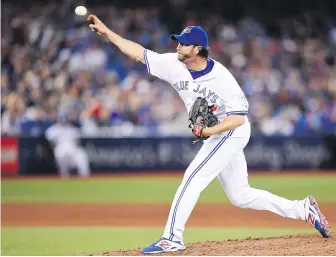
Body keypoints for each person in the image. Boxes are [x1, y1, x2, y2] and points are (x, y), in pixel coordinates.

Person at [87, 15, 331, 253]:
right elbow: (138, 53)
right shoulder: (174, 64)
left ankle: (172, 238)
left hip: (231, 130)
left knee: (193, 177)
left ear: (198, 49)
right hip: (219, 132)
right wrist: (108, 33)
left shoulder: (221, 77)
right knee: (240, 195)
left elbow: (239, 117)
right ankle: (303, 209)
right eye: (178, 42)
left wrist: (210, 130)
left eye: (183, 43)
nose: (178, 46)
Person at [45, 113, 90, 178]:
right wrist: (53, 148)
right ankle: (64, 176)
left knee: (82, 156)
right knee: (59, 154)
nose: (63, 122)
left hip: (73, 149)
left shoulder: (71, 128)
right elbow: (50, 141)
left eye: (64, 120)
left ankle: (85, 176)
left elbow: (78, 141)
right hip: (61, 148)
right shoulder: (53, 129)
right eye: (61, 120)